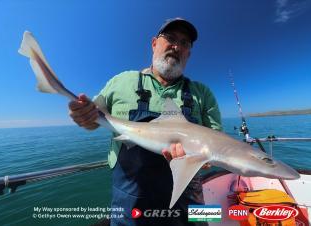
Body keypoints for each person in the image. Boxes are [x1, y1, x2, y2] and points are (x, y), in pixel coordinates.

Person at [69, 18, 222, 226]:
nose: (176, 46)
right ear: (153, 43)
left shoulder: (202, 93)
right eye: (170, 38)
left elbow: (216, 150)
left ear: (189, 53)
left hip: (191, 203)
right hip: (130, 209)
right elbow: (93, 120)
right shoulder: (121, 81)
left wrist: (202, 160)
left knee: (210, 218)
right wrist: (83, 116)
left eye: (185, 43)